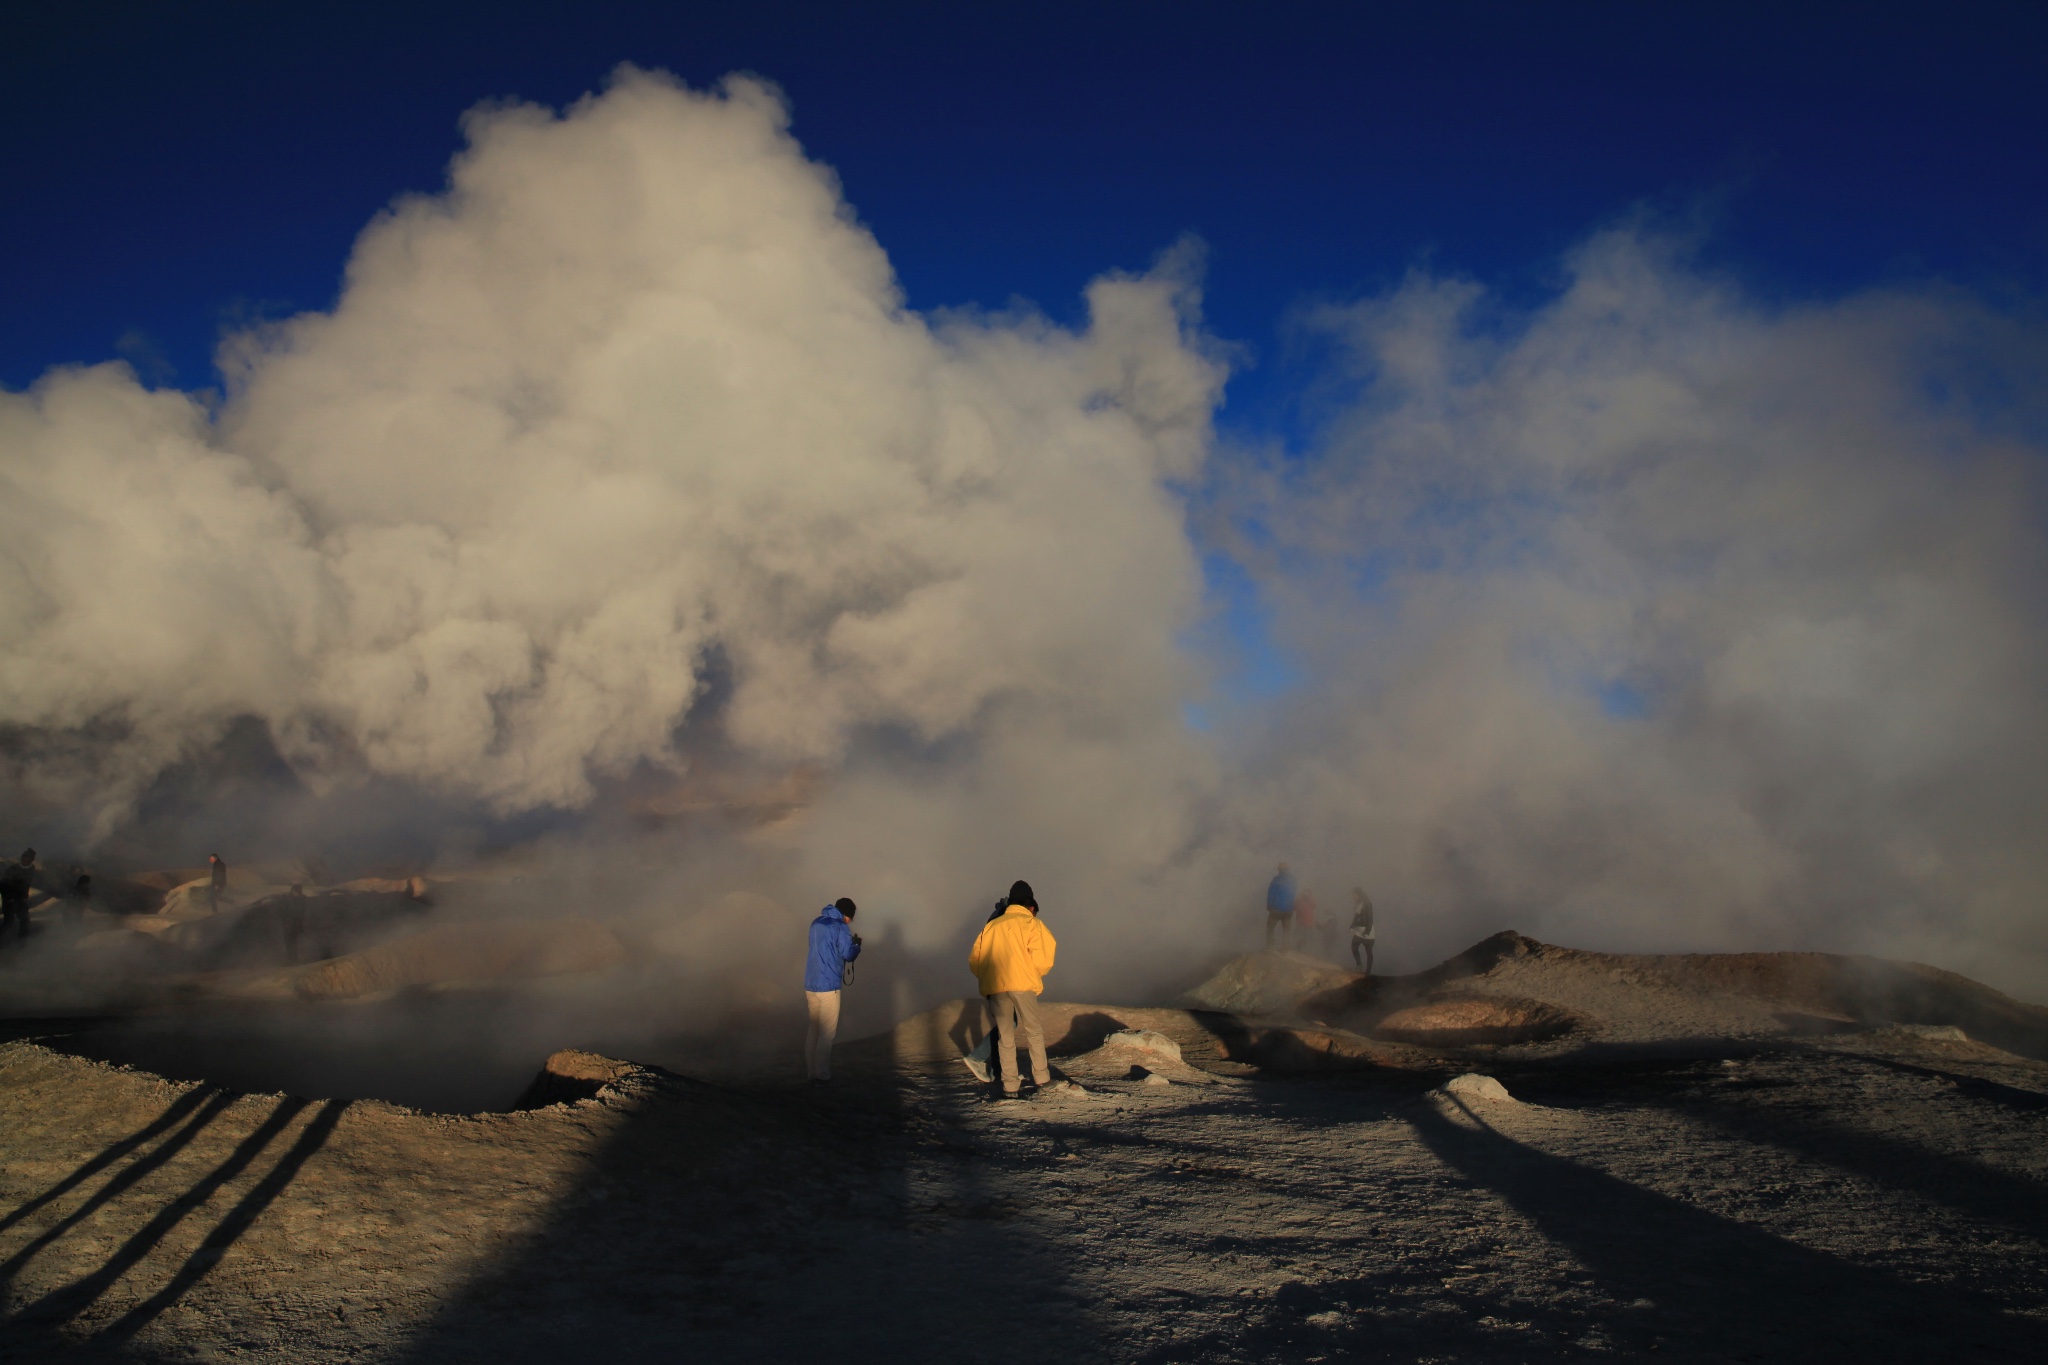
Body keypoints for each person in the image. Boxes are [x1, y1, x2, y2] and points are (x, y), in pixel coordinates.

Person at [969, 880, 1057, 1099]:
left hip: (997, 987)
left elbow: (976, 960)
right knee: (1033, 1031)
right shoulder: (1032, 924)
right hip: (1023, 984)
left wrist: (989, 978)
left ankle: (1010, 1087)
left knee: (1005, 1038)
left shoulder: (992, 925)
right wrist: (1031, 972)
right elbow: (1044, 957)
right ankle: (1042, 1079)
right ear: (1030, 904)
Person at [803, 896, 862, 1083]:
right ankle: (823, 1075)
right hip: (829, 987)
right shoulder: (840, 927)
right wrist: (856, 946)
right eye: (850, 917)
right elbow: (847, 954)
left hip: (811, 984)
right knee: (827, 1034)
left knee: (813, 1030)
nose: (850, 921)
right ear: (846, 915)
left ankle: (811, 1072)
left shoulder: (816, 923)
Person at [0, 850, 32, 942]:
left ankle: (22, 943)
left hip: (20, 899)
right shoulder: (12, 870)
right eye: (24, 859)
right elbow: (2, 885)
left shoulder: (31, 869)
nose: (25, 861)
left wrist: (24, 895)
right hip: (10, 900)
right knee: (8, 922)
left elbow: (26, 884)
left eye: (28, 860)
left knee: (25, 920)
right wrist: (9, 898)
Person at [1264, 863, 1296, 950]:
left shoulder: (1277, 879)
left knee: (1270, 927)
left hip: (1276, 908)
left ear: (1280, 870)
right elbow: (1293, 893)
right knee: (1286, 929)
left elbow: (1271, 893)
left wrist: (1269, 905)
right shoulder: (1292, 879)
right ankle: (1285, 948)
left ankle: (1270, 947)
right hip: (1289, 909)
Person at [1350, 887, 1376, 973]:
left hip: (1367, 932)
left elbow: (1370, 918)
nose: (1353, 897)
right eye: (1353, 895)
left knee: (1368, 951)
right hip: (1358, 931)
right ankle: (1359, 965)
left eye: (1355, 895)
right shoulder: (1358, 904)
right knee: (1354, 947)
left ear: (1359, 895)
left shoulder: (1367, 904)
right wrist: (1352, 926)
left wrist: (1367, 931)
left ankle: (1368, 971)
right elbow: (1356, 917)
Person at [1295, 887, 1319, 956]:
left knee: (1302, 936)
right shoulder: (1309, 899)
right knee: (1304, 936)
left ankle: (1302, 951)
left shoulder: (1302, 899)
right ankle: (1304, 951)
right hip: (1306, 922)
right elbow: (1314, 905)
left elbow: (1294, 907)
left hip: (1302, 921)